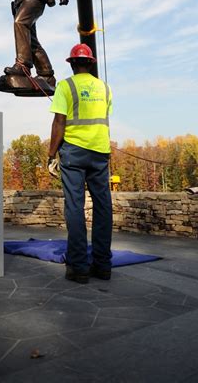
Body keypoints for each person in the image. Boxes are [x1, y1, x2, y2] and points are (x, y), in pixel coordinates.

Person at [48, 43, 113, 283]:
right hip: (100, 152)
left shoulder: (65, 86)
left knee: (75, 206)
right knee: (103, 206)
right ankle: (103, 265)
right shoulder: (105, 88)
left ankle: (78, 267)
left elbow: (59, 123)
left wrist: (51, 153)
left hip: (74, 153)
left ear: (73, 63)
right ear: (91, 63)